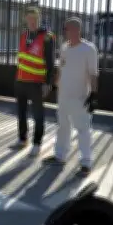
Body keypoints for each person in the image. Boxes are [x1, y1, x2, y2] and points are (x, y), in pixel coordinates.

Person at [43, 17, 98, 175]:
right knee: (63, 126)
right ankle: (60, 156)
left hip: (80, 97)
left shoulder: (89, 49)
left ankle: (86, 163)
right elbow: (61, 69)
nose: (64, 32)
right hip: (64, 96)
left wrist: (94, 94)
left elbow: (93, 74)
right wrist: (54, 85)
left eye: (65, 29)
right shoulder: (65, 47)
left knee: (83, 129)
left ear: (75, 30)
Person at [14, 7, 56, 157]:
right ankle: (22, 138)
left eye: (35, 19)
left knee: (38, 115)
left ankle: (37, 143)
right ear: (25, 19)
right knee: (21, 112)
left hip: (37, 83)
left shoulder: (47, 37)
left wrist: (48, 83)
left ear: (39, 19)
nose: (32, 21)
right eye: (30, 18)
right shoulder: (23, 35)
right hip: (21, 80)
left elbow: (50, 63)